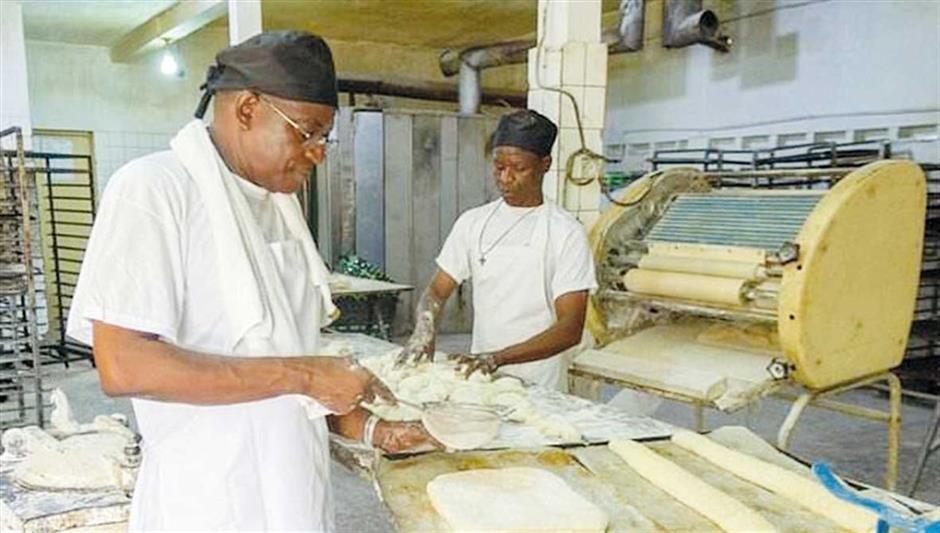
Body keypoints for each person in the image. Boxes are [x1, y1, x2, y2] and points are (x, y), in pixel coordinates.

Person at [67, 31, 430, 531]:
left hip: (295, 492)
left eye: (325, 137)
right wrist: (306, 373)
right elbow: (124, 365)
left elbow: (280, 346)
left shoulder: (279, 208)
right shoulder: (154, 189)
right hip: (210, 503)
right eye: (306, 132)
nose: (318, 152)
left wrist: (365, 427)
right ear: (247, 108)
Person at [396, 110, 597, 391]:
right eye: (498, 166)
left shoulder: (566, 233)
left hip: (541, 384)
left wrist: (498, 358)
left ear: (545, 164)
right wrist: (424, 331)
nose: (505, 177)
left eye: (518, 168)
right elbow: (437, 291)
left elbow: (570, 328)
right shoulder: (474, 222)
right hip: (482, 376)